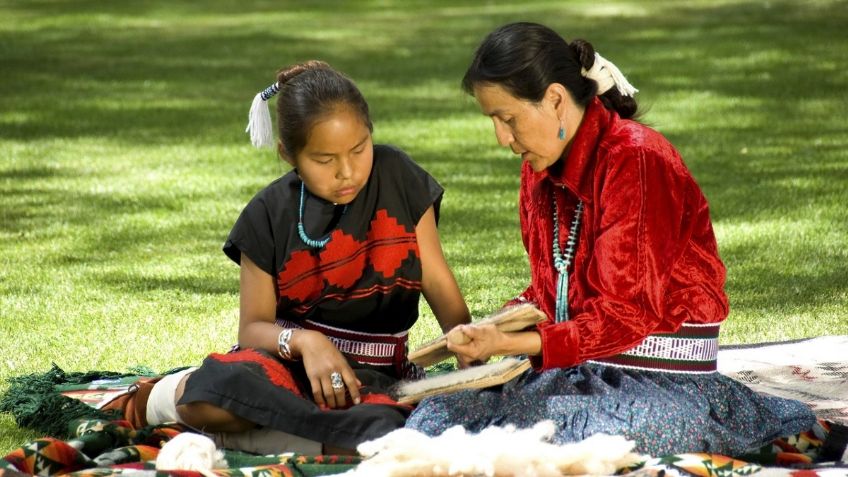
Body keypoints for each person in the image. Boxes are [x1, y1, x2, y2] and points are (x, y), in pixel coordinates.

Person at [404, 22, 816, 457]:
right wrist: (496, 327)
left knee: (582, 440)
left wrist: (510, 344)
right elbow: (553, 289)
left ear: (556, 99)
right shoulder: (538, 171)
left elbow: (628, 311)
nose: (502, 138)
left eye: (508, 119)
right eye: (494, 121)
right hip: (576, 369)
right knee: (440, 415)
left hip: (663, 381)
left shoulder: (636, 160)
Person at [141, 60, 472, 454]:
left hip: (372, 376)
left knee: (387, 433)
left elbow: (435, 279)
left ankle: (242, 438)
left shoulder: (398, 177)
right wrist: (306, 342)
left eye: (359, 149)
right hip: (286, 365)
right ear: (288, 155)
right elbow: (252, 328)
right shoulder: (267, 214)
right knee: (217, 396)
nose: (346, 171)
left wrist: (471, 353)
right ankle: (158, 398)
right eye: (324, 160)